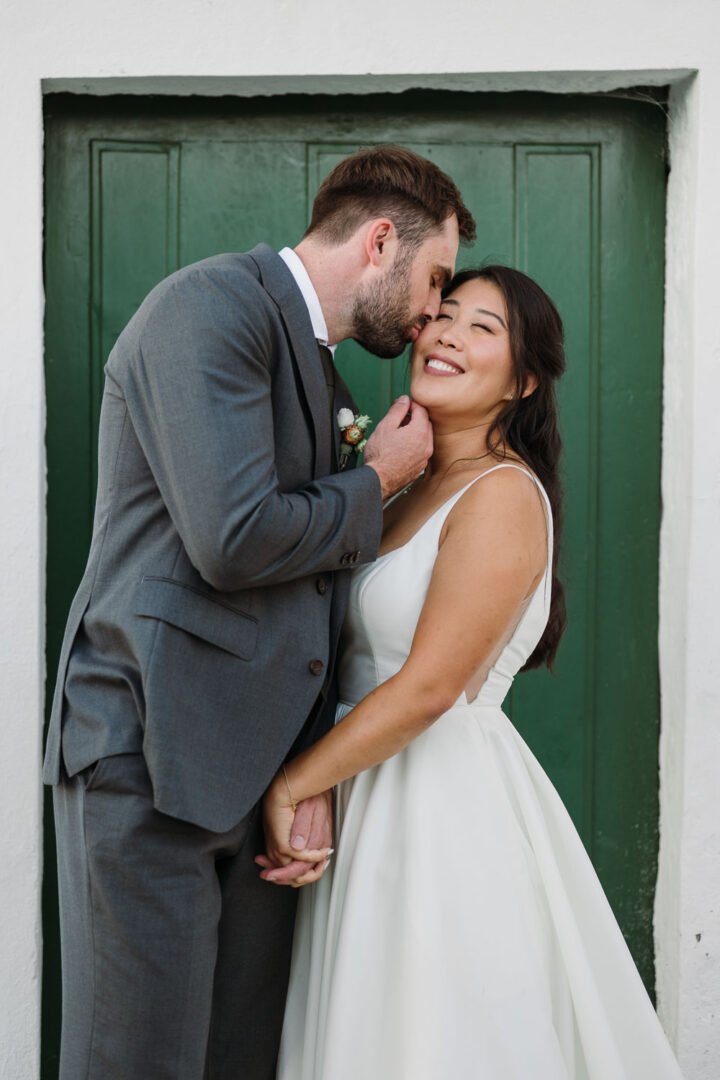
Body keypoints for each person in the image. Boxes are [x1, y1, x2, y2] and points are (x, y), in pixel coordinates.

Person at [42, 146, 476, 1079]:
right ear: (381, 241)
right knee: (138, 1063)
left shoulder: (332, 380)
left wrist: (305, 775)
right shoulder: (209, 307)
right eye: (435, 279)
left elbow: (307, 598)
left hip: (257, 790)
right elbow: (232, 538)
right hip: (151, 755)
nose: (435, 308)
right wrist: (379, 480)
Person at [262, 267, 685, 1079]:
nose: (449, 333)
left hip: (432, 809)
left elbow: (431, 687)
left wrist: (292, 786)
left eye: (483, 327)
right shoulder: (402, 488)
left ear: (524, 381)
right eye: (444, 314)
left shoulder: (501, 497)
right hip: (360, 796)